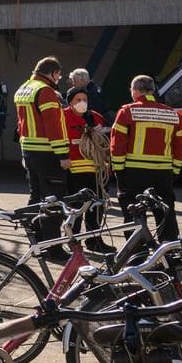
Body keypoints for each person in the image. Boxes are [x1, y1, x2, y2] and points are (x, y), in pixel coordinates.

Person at [111, 74, 182, 241]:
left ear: (135, 91)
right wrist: (175, 171)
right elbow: (179, 148)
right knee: (165, 212)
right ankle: (169, 250)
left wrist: (118, 171)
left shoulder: (127, 112)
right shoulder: (173, 115)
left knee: (135, 213)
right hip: (163, 174)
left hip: (134, 173)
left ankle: (137, 254)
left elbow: (117, 146)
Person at [16, 56, 73, 207]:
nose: (58, 79)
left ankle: (33, 229)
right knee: (53, 199)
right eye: (59, 76)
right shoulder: (45, 91)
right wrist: (63, 155)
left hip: (28, 150)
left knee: (36, 195)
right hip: (47, 153)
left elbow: (20, 124)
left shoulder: (23, 88)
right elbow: (53, 126)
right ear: (54, 73)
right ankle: (50, 231)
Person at [63, 87, 113, 251]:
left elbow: (104, 141)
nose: (82, 103)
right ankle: (73, 241)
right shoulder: (63, 117)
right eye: (78, 100)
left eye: (84, 99)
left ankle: (94, 240)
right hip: (74, 171)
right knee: (76, 209)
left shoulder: (95, 117)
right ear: (70, 101)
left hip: (96, 171)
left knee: (96, 207)